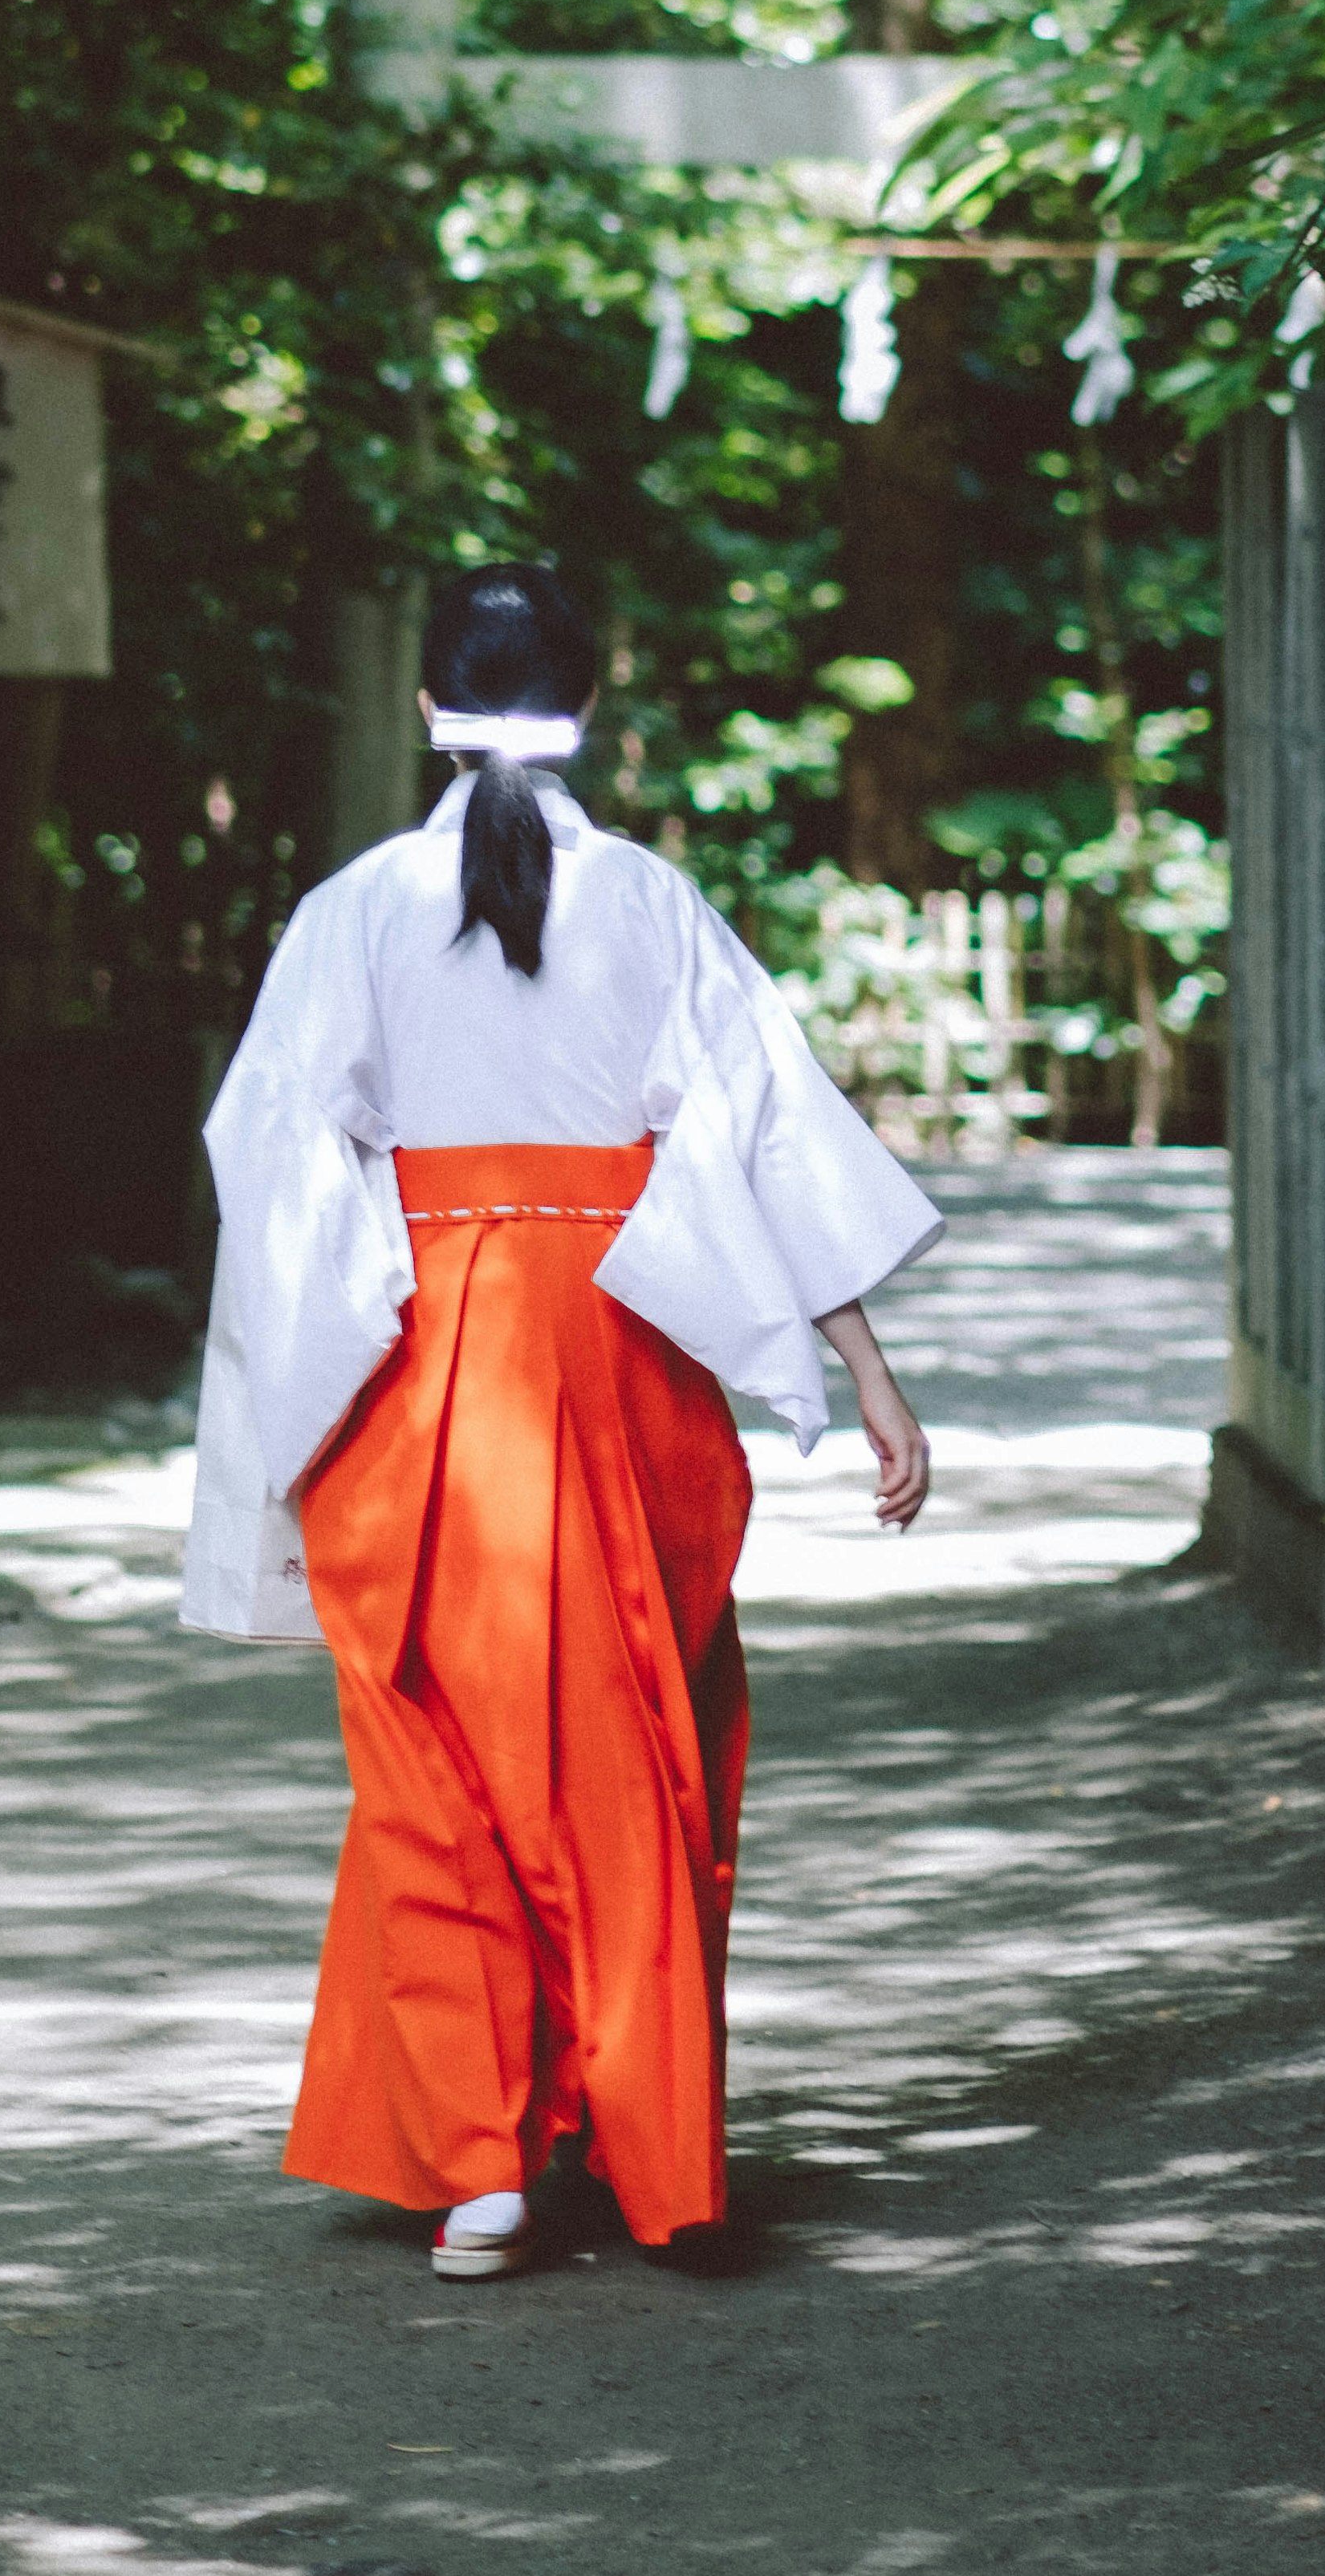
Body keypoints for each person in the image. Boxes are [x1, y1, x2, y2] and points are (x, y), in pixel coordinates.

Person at [182, 561, 939, 2280]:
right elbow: (765, 1142)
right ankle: (645, 2146)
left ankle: (483, 2169)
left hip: (412, 1358)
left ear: (425, 710)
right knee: (629, 1753)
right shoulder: (655, 908)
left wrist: (278, 1436)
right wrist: (872, 1382)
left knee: (432, 1774)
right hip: (618, 1353)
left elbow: (282, 1180)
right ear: (592, 708)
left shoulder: (353, 913)